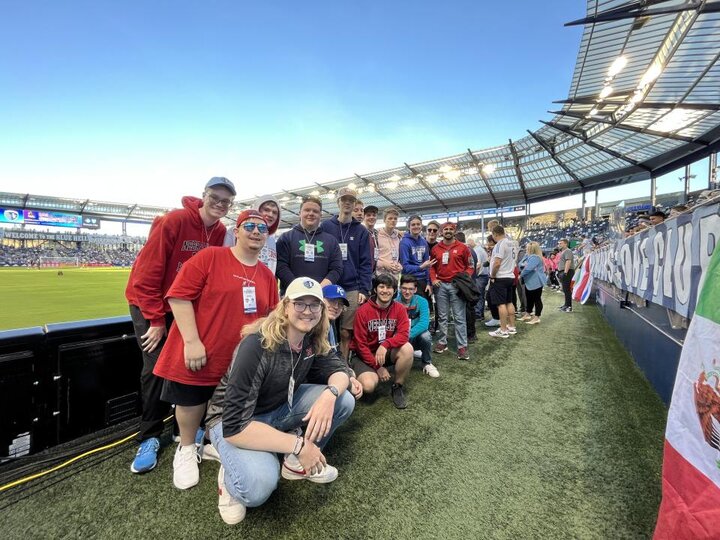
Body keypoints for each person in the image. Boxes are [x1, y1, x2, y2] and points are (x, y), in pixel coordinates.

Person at [204, 277, 355, 525]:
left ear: (321, 310)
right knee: (258, 488)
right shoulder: (257, 344)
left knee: (344, 400)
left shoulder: (311, 339)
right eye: (300, 304)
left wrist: (330, 395)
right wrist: (298, 444)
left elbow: (339, 371)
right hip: (232, 422)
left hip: (276, 410)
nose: (307, 311)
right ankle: (229, 475)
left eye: (314, 305)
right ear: (285, 306)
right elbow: (234, 425)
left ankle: (294, 465)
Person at [153, 209, 279, 490]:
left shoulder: (268, 277)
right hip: (202, 349)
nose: (257, 231)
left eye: (262, 228)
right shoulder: (210, 257)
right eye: (250, 226)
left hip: (238, 359)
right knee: (191, 399)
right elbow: (178, 296)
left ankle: (210, 444)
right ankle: (186, 448)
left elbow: (271, 317)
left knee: (228, 406)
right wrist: (191, 341)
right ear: (237, 230)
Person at [125, 176, 234, 475]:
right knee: (156, 368)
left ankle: (180, 429)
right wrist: (156, 319)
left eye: (226, 201)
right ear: (204, 195)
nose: (220, 204)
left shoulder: (222, 231)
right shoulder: (174, 221)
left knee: (188, 365)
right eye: (215, 197)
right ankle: (148, 437)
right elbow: (145, 276)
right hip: (152, 304)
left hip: (186, 306)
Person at [322, 188, 372, 360]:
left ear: (355, 203)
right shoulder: (326, 226)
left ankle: (343, 364)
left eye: (351, 200)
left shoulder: (361, 231)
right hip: (330, 285)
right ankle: (324, 362)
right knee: (324, 327)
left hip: (351, 286)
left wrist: (364, 290)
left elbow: (366, 262)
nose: (347, 203)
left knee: (345, 332)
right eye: (344, 200)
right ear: (338, 202)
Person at [350, 273, 413, 408]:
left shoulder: (399, 309)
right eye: (381, 286)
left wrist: (385, 345)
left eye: (389, 287)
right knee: (368, 386)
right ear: (375, 289)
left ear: (395, 291)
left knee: (407, 348)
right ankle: (354, 374)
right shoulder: (363, 311)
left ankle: (397, 386)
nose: (385, 290)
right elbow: (360, 345)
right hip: (363, 355)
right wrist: (377, 367)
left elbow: (404, 335)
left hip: (384, 351)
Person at [275, 195, 343, 294]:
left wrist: (319, 288)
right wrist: (299, 287)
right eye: (307, 210)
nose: (311, 213)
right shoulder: (286, 238)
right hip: (292, 293)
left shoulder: (331, 241)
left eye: (315, 211)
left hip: (321, 294)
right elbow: (281, 266)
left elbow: (337, 269)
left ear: (321, 215)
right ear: (300, 213)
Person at [430, 222, 474, 360]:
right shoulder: (436, 249)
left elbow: (470, 266)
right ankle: (443, 342)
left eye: (450, 229)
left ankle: (462, 346)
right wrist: (433, 279)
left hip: (456, 286)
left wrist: (462, 281)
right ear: (441, 232)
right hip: (441, 286)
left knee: (459, 317)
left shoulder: (463, 248)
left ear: (454, 232)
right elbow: (431, 267)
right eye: (445, 229)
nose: (448, 231)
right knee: (442, 317)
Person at [322, 284, 364, 399]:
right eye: (331, 301)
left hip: (329, 368)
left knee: (351, 373)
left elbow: (336, 352)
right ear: (320, 301)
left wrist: (348, 372)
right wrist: (345, 375)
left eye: (340, 304)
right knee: (346, 399)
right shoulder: (314, 326)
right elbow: (322, 362)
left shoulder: (330, 323)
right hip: (314, 376)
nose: (336, 307)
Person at [224, 195, 281, 275]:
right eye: (266, 210)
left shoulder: (271, 239)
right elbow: (225, 260)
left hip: (264, 284)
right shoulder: (237, 230)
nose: (270, 214)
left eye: (275, 212)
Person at [397, 275, 439, 377]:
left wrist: (407, 335)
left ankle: (426, 362)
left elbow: (424, 324)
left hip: (412, 336)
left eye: (411, 289)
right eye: (404, 288)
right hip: (398, 338)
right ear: (400, 288)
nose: (407, 292)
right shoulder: (394, 302)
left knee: (426, 335)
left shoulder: (422, 301)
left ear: (415, 289)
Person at [487, 225, 518, 339]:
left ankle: (503, 329)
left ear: (495, 234)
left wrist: (493, 275)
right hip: (510, 275)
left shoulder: (500, 244)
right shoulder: (512, 243)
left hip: (500, 277)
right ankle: (511, 326)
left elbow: (497, 263)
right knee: (509, 302)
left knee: (501, 304)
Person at [398, 214, 435, 301]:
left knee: (425, 308)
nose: (416, 226)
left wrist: (429, 283)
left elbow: (427, 265)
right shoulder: (404, 243)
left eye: (418, 224)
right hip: (410, 281)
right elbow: (405, 267)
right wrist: (420, 267)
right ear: (408, 226)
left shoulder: (424, 242)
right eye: (413, 224)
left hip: (423, 281)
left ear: (421, 226)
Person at [455, 231, 478, 343]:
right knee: (469, 310)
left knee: (467, 311)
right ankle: (471, 333)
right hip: (470, 283)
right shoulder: (471, 250)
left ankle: (470, 334)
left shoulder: (464, 250)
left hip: (465, 285)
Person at [519, 242, 546, 325]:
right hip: (529, 281)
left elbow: (528, 268)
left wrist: (520, 275)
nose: (526, 249)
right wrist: (525, 259)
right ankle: (528, 314)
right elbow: (520, 264)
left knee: (536, 299)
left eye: (528, 248)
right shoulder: (529, 256)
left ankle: (537, 317)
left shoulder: (535, 257)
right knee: (529, 298)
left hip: (536, 281)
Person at [375, 207, 403, 281]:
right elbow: (372, 257)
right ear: (384, 220)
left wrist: (400, 265)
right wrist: (384, 264)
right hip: (380, 276)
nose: (393, 221)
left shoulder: (398, 236)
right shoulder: (376, 235)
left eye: (395, 219)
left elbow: (399, 257)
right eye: (390, 218)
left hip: (395, 277)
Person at [473, 235, 490, 322]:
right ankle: (480, 314)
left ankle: (478, 314)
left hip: (480, 276)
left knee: (479, 295)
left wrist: (473, 275)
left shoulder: (477, 250)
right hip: (483, 275)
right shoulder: (480, 249)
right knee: (481, 295)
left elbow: (478, 264)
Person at [557, 238, 575, 312]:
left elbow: (568, 261)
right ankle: (566, 305)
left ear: (566, 244)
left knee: (567, 290)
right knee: (565, 289)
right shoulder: (564, 251)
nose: (559, 244)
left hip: (567, 272)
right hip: (564, 271)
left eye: (561, 243)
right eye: (559, 243)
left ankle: (569, 307)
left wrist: (565, 272)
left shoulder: (567, 251)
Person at [362, 204, 380, 272]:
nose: (371, 217)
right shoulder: (361, 232)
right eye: (368, 215)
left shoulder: (376, 233)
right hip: (365, 271)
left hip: (375, 271)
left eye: (374, 215)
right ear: (364, 217)